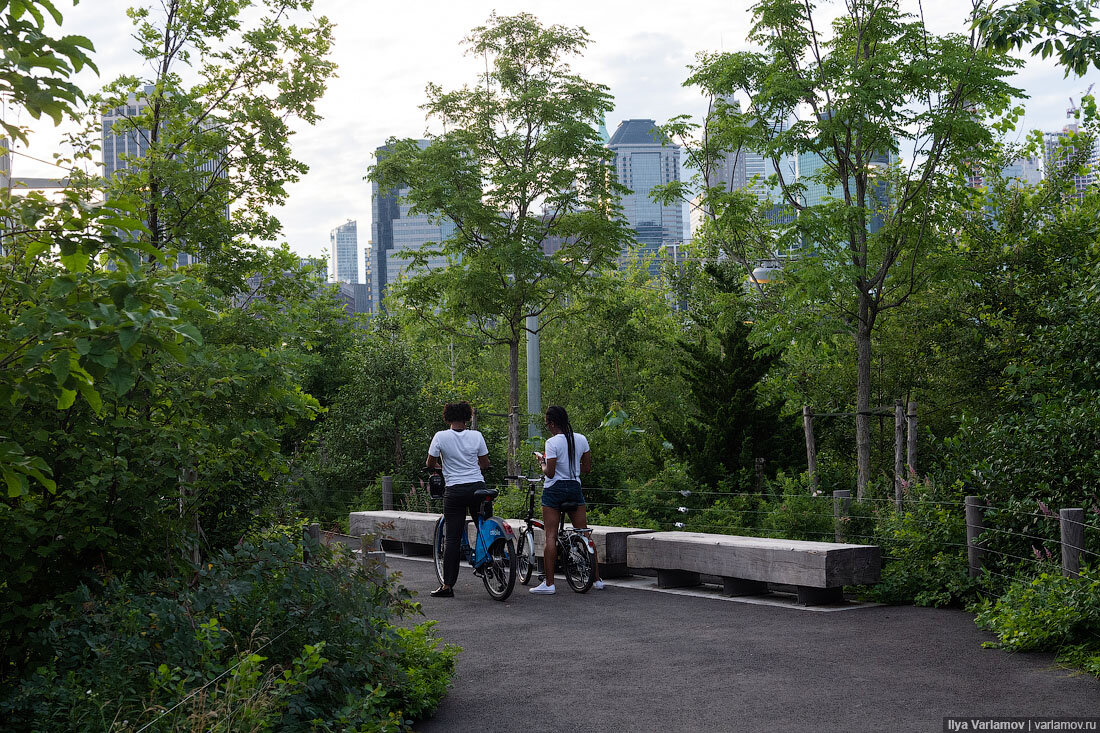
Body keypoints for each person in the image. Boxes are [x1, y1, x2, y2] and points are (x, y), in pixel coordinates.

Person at [529, 405, 605, 594]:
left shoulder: (552, 442)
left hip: (554, 491)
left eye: (547, 424)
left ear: (552, 423)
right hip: (574, 488)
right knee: (584, 534)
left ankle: (549, 584)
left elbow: (551, 472)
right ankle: (597, 580)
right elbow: (586, 468)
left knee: (551, 536)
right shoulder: (580, 439)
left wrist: (542, 463)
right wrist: (570, 464)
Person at [426, 401, 490, 598]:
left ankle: (448, 586)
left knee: (452, 538)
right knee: (484, 527)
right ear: (467, 417)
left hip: (454, 490)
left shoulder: (440, 436)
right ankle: (486, 560)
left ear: (447, 417)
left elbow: (430, 462)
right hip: (477, 487)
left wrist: (440, 467)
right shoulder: (476, 435)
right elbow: (485, 463)